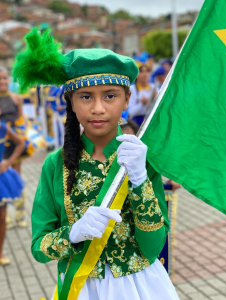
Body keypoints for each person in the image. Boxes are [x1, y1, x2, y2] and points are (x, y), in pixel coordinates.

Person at [14, 29, 179, 300]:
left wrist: (139, 181)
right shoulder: (55, 164)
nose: (98, 108)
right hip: (80, 288)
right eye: (86, 96)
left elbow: (153, 248)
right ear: (72, 103)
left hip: (139, 288)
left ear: (127, 100)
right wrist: (73, 233)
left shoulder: (142, 159)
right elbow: (38, 248)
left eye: (110, 96)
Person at [0, 66, 27, 228]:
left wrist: (25, 138)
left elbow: (21, 120)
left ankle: (20, 213)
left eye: (4, 78)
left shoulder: (17, 98)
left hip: (15, 143)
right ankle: (6, 214)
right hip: (1, 144)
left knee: (15, 178)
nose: (2, 81)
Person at [0, 120, 25, 265]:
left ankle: (0, 252)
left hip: (1, 178)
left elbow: (21, 143)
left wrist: (9, 162)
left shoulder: (3, 127)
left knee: (2, 216)